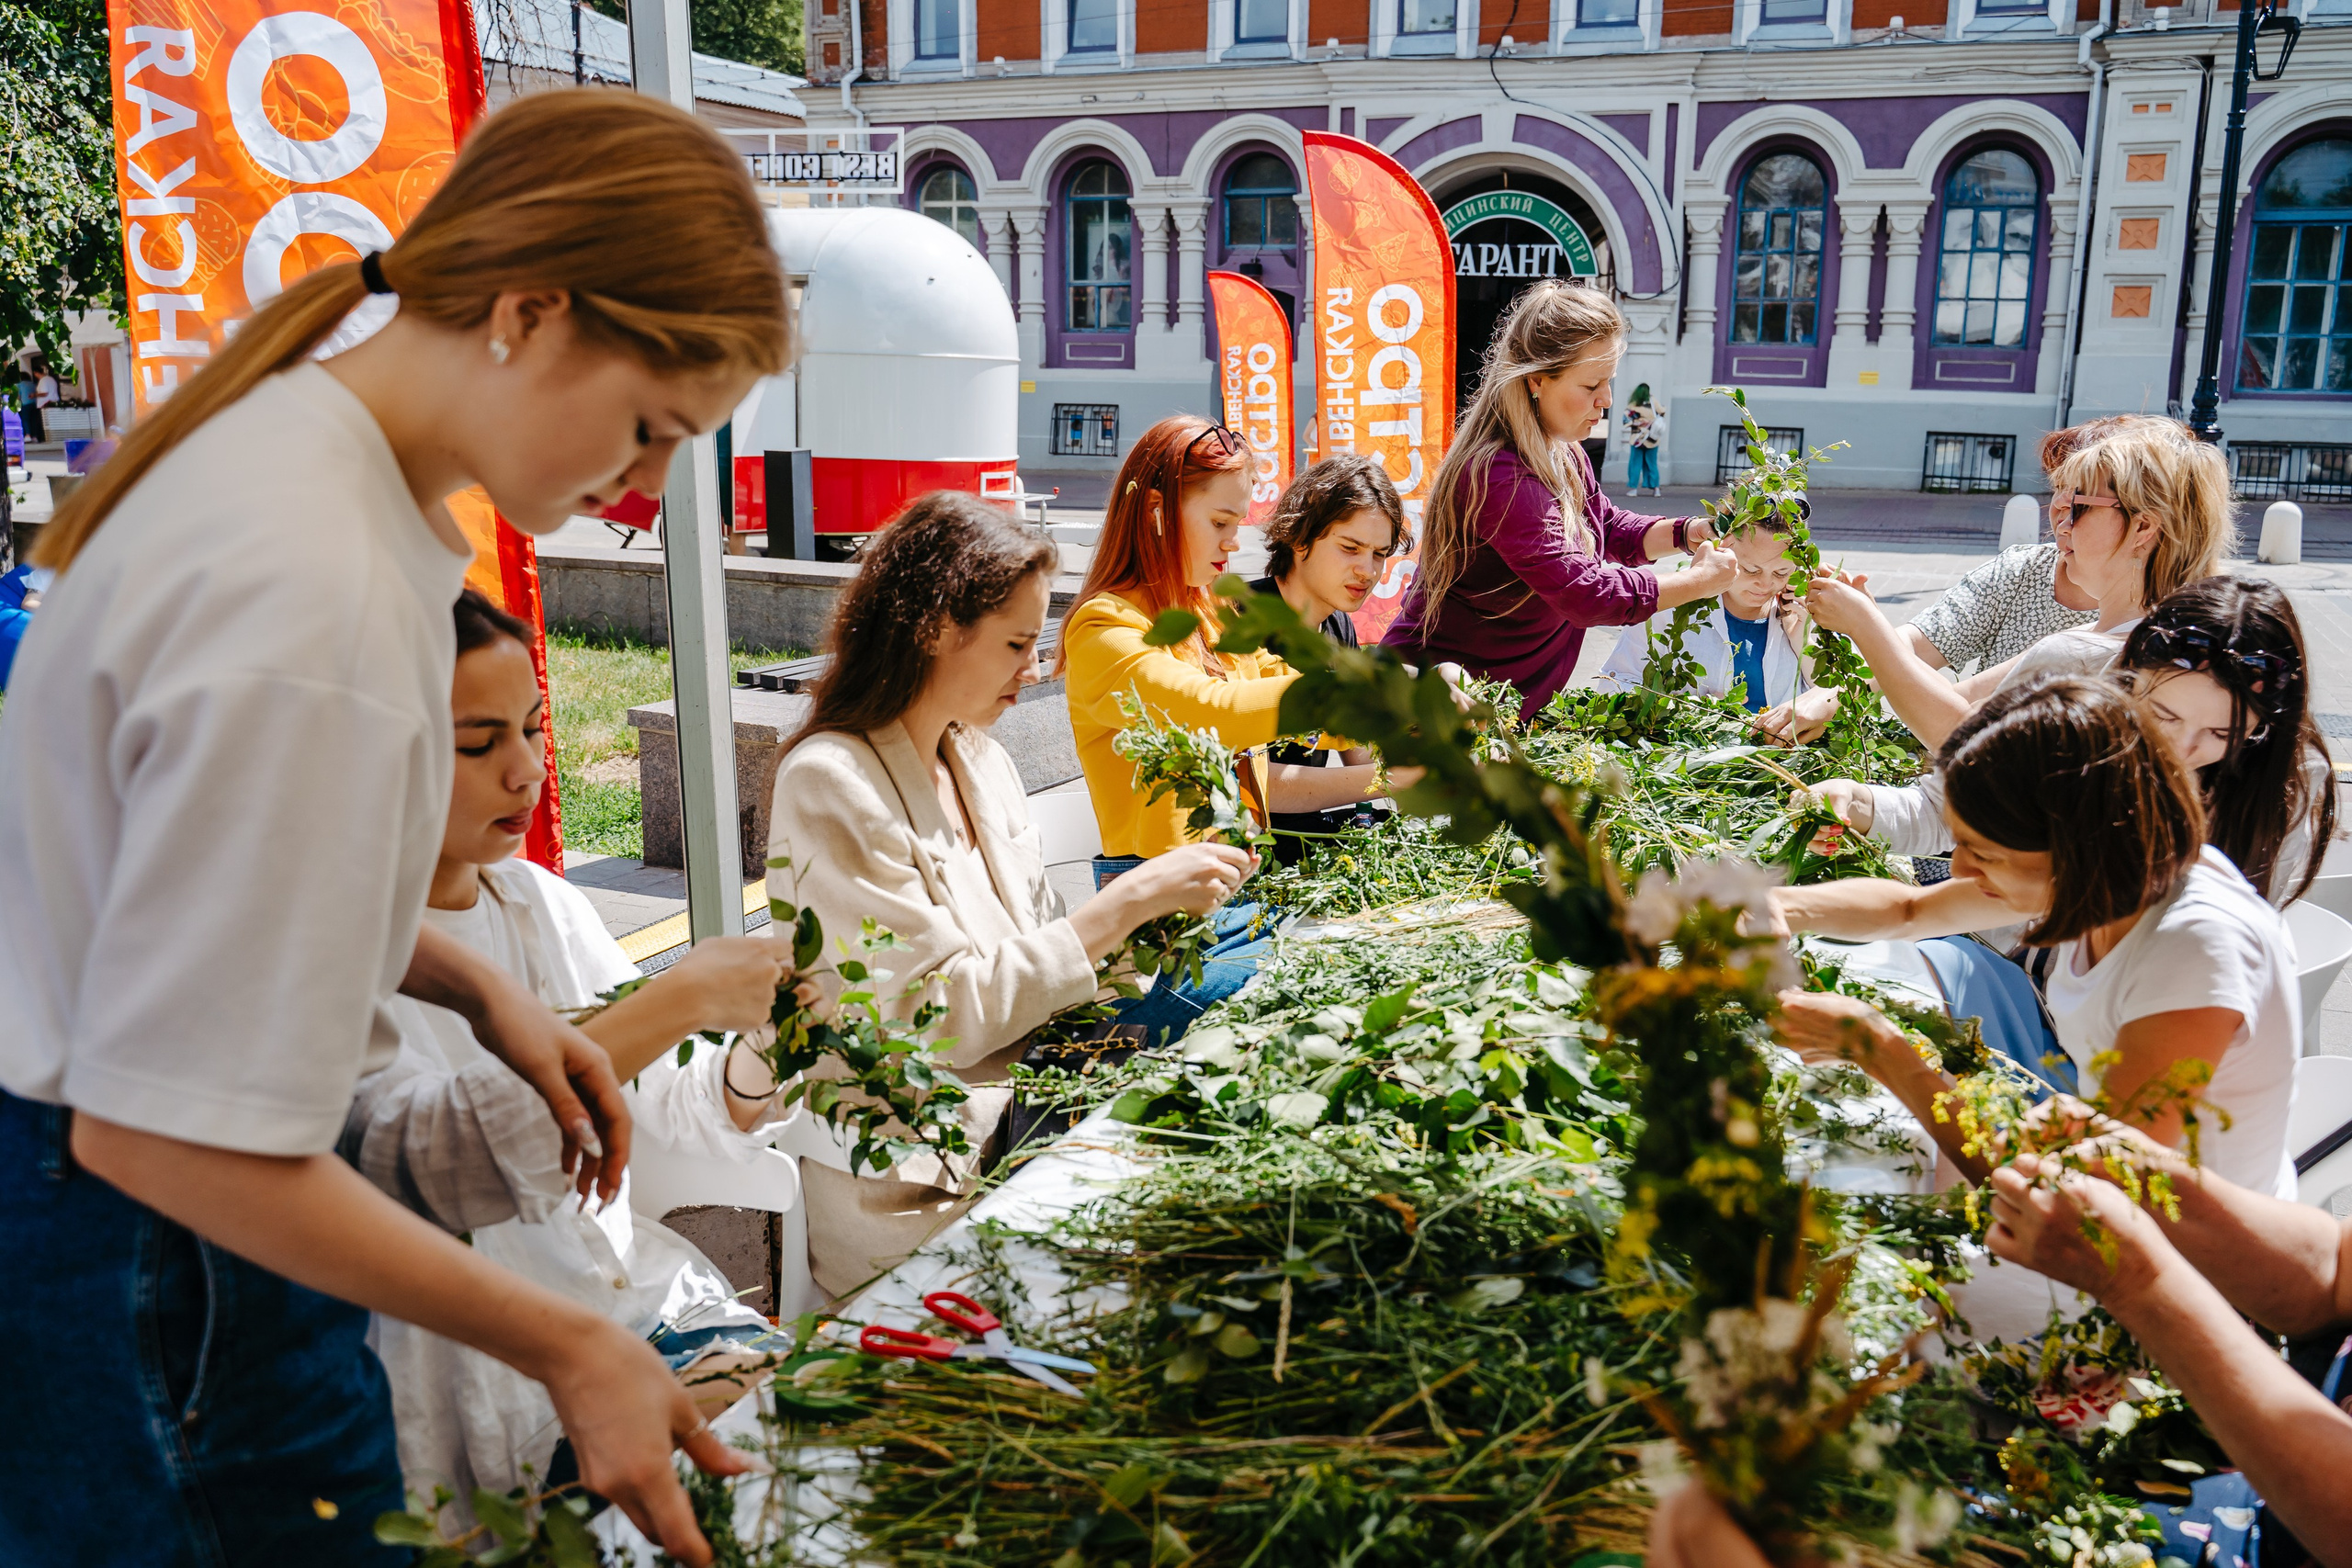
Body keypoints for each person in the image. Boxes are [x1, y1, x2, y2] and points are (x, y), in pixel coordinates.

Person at [0, 90, 788, 1567]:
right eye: (648, 425)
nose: (646, 490)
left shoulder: (311, 470)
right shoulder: (322, 588)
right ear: (532, 312)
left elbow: (188, 879)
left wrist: (475, 982)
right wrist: (568, 1337)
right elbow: (166, 1133)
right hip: (148, 1261)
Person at [346, 591, 805, 1518]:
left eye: (532, 728)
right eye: (477, 745)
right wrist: (679, 998)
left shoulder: (537, 904)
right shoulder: (328, 949)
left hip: (641, 1306)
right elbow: (440, 1161)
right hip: (494, 1382)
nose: (525, 773)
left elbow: (658, 1103)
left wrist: (759, 1051)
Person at [774, 493, 1259, 1293]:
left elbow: (1039, 967)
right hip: (922, 1187)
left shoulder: (981, 759)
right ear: (934, 628)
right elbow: (930, 1021)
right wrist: (1126, 904)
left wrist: (1153, 934)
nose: (1032, 671)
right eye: (1016, 644)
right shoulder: (831, 781)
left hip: (1035, 1122)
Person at [1770, 677, 2301, 1344]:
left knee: (1856, 1275)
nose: (1959, 867)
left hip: (2187, 1286)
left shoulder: (2195, 949)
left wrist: (1884, 1051)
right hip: (2104, 1210)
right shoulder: (2111, 870)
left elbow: (2091, 1200)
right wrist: (1781, 908)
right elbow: (1910, 910)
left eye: (1982, 851)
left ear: (2070, 843)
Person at [1820, 575, 2335, 908]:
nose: (2181, 747)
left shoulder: (2292, 781)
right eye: (2163, 717)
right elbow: (1945, 818)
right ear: (2128, 680)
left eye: (2222, 734)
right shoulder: (2080, 699)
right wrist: (1855, 803)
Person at [1383, 279, 1736, 718]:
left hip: (1493, 712)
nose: (1606, 400)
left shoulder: (1562, 450)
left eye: (1609, 382)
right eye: (1592, 386)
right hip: (1429, 711)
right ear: (1537, 380)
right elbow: (1586, 595)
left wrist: (1688, 533)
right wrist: (1698, 583)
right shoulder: (1499, 475)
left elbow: (1603, 526)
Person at [1803, 421, 2231, 753]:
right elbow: (1956, 697)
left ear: (2142, 525)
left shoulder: (2087, 651)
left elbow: (1959, 740)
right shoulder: (2187, 631)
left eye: (2079, 503)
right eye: (2056, 494)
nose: (2060, 517)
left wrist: (1866, 627)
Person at [1249, 453, 1408, 863]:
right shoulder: (1239, 622)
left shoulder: (1339, 627)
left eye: (1379, 554)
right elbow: (1254, 782)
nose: (1368, 570)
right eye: (1350, 548)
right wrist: (1386, 781)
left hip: (1315, 856)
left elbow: (1359, 748)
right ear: (1300, 537)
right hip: (1247, 866)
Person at [1593, 509, 1812, 716]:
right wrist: (1690, 711)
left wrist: (1804, 642)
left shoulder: (1805, 611)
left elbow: (1834, 697)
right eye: (1750, 570)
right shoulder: (1670, 606)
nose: (1765, 584)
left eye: (1781, 573)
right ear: (1721, 548)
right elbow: (1613, 687)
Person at [1621, 382, 1663, 496]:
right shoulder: (1653, 401)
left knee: (1635, 464)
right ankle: (1656, 489)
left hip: (1637, 439)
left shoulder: (1634, 404)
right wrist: (1650, 421)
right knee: (1652, 464)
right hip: (1652, 439)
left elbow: (1625, 420)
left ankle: (1633, 489)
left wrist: (1638, 422)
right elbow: (1662, 411)